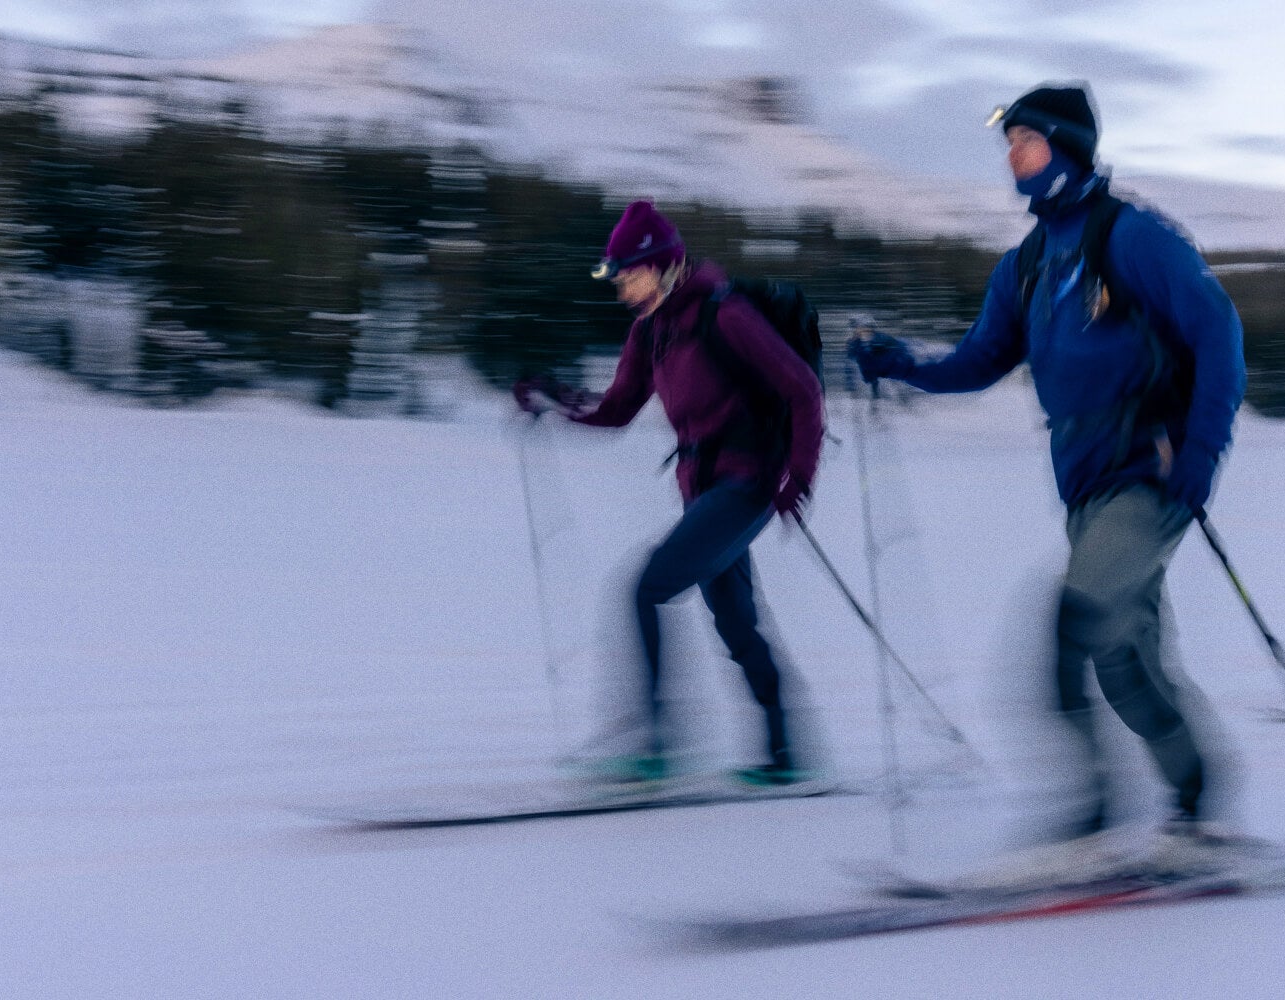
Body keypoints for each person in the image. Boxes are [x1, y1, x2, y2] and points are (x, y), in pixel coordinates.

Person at [846, 82, 1248, 873]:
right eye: (1008, 145)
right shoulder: (1027, 264)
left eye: (1025, 141)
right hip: (1086, 485)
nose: (1012, 156)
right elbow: (980, 360)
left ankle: (1091, 809)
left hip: (1151, 471)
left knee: (1073, 623)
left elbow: (1219, 335)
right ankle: (1198, 798)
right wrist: (903, 364)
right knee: (1125, 657)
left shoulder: (1132, 237)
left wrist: (1201, 452)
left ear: (1066, 147)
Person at [513, 199, 825, 790]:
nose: (622, 288)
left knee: (647, 588)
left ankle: (653, 746)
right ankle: (788, 753)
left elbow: (803, 390)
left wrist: (798, 478)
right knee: (735, 622)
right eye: (617, 278)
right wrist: (556, 399)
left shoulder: (726, 314)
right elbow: (616, 411)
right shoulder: (649, 332)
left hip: (749, 483)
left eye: (629, 275)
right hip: (704, 492)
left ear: (664, 266)